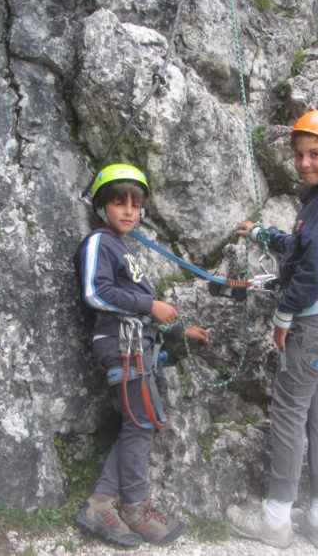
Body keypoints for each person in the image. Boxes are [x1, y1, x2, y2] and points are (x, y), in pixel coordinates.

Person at [227, 111, 318, 551]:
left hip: (315, 316)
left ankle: (275, 520)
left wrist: (284, 314)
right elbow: (305, 247)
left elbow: (312, 267)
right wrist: (265, 235)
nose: (305, 163)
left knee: (289, 411)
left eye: (316, 155)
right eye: (299, 155)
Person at [73, 163, 211, 547]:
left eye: (136, 204)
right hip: (121, 345)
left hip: (137, 346)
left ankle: (102, 502)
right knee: (139, 424)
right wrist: (150, 305)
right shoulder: (99, 243)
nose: (129, 211)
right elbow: (94, 293)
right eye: (119, 203)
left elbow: (138, 309)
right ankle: (134, 505)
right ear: (101, 207)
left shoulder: (125, 249)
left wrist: (178, 331)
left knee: (141, 423)